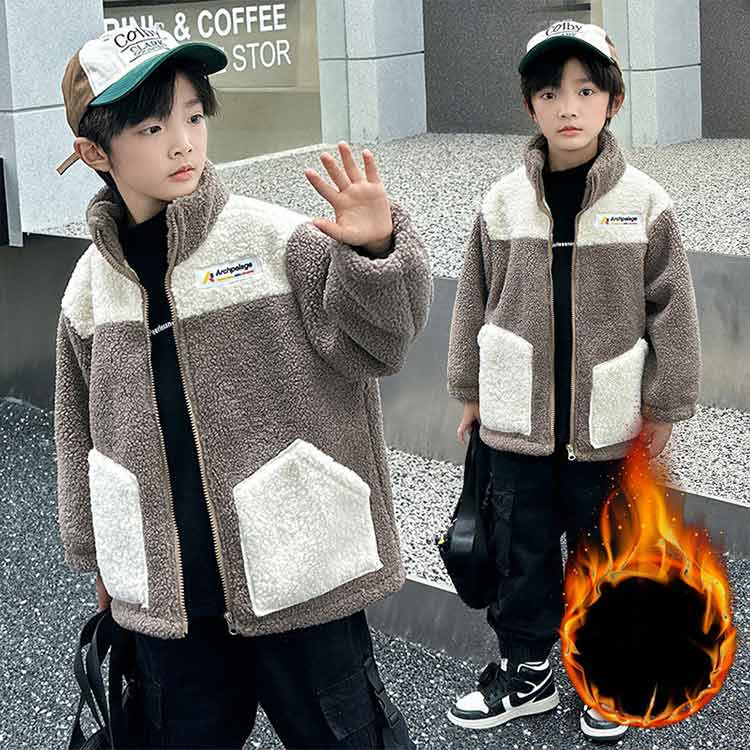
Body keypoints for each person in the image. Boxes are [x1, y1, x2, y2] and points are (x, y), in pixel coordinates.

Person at [54, 24, 431, 749]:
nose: (183, 144)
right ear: (95, 152)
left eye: (194, 117)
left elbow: (379, 345)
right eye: (152, 127)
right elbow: (78, 434)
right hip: (172, 601)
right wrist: (104, 558)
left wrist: (376, 252)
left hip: (301, 580)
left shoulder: (275, 239)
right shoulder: (87, 290)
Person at [446, 20, 701, 743]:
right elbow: (474, 296)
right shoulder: (501, 202)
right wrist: (470, 387)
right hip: (517, 424)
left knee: (606, 556)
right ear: (530, 104)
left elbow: (673, 308)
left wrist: (665, 402)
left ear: (613, 102)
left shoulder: (645, 202)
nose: (568, 107)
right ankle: (526, 676)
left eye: (586, 91)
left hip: (606, 425)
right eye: (551, 93)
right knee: (520, 556)